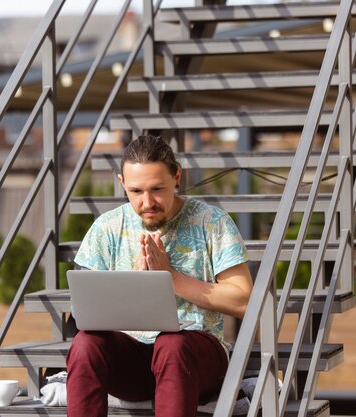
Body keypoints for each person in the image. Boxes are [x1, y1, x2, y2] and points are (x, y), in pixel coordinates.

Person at [66, 135, 253, 417]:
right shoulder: (106, 227)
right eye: (136, 191)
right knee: (85, 343)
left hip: (195, 358)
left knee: (172, 343)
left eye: (157, 189)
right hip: (132, 362)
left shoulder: (212, 222)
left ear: (177, 176)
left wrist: (170, 278)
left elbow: (244, 301)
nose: (147, 202)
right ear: (121, 183)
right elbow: (85, 314)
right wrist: (136, 285)